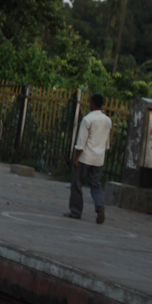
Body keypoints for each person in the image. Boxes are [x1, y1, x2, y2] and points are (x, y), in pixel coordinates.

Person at [65, 93, 111, 224]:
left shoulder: (87, 119)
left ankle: (75, 212)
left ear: (92, 103)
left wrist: (76, 159)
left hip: (85, 157)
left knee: (77, 184)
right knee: (96, 184)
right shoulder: (108, 120)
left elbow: (81, 141)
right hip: (98, 159)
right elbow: (107, 143)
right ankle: (100, 205)